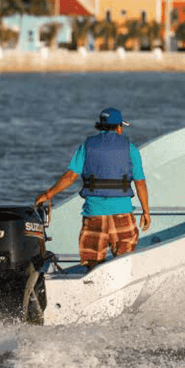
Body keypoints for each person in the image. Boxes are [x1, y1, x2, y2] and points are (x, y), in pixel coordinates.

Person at [36, 107, 151, 270]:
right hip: (122, 214)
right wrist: (146, 211)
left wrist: (48, 194)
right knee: (124, 264)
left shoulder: (87, 146)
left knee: (92, 266)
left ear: (100, 126)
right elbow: (140, 182)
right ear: (119, 127)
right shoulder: (130, 148)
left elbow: (70, 176)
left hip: (94, 216)